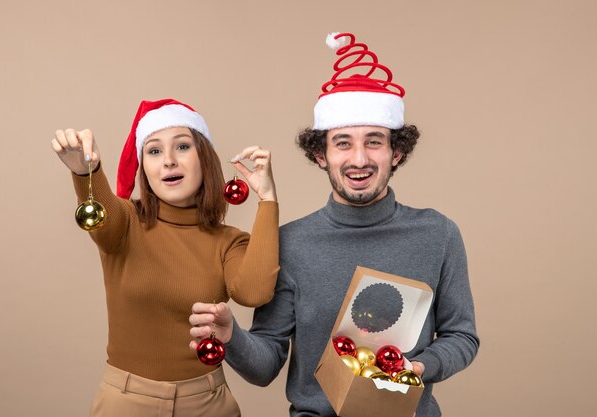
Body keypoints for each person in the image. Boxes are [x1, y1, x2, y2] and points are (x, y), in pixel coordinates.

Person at [189, 33, 479, 417]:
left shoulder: (438, 234)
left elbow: (462, 336)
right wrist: (232, 337)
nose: (359, 159)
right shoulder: (290, 243)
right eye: (342, 143)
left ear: (397, 152)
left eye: (374, 141)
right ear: (320, 154)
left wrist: (421, 368)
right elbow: (265, 366)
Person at [51, 98, 279, 417]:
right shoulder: (126, 221)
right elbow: (102, 214)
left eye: (182, 147)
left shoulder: (229, 242)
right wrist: (85, 171)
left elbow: (254, 292)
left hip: (208, 403)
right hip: (126, 403)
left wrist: (268, 200)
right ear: (144, 167)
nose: (168, 161)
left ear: (205, 159)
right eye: (154, 151)